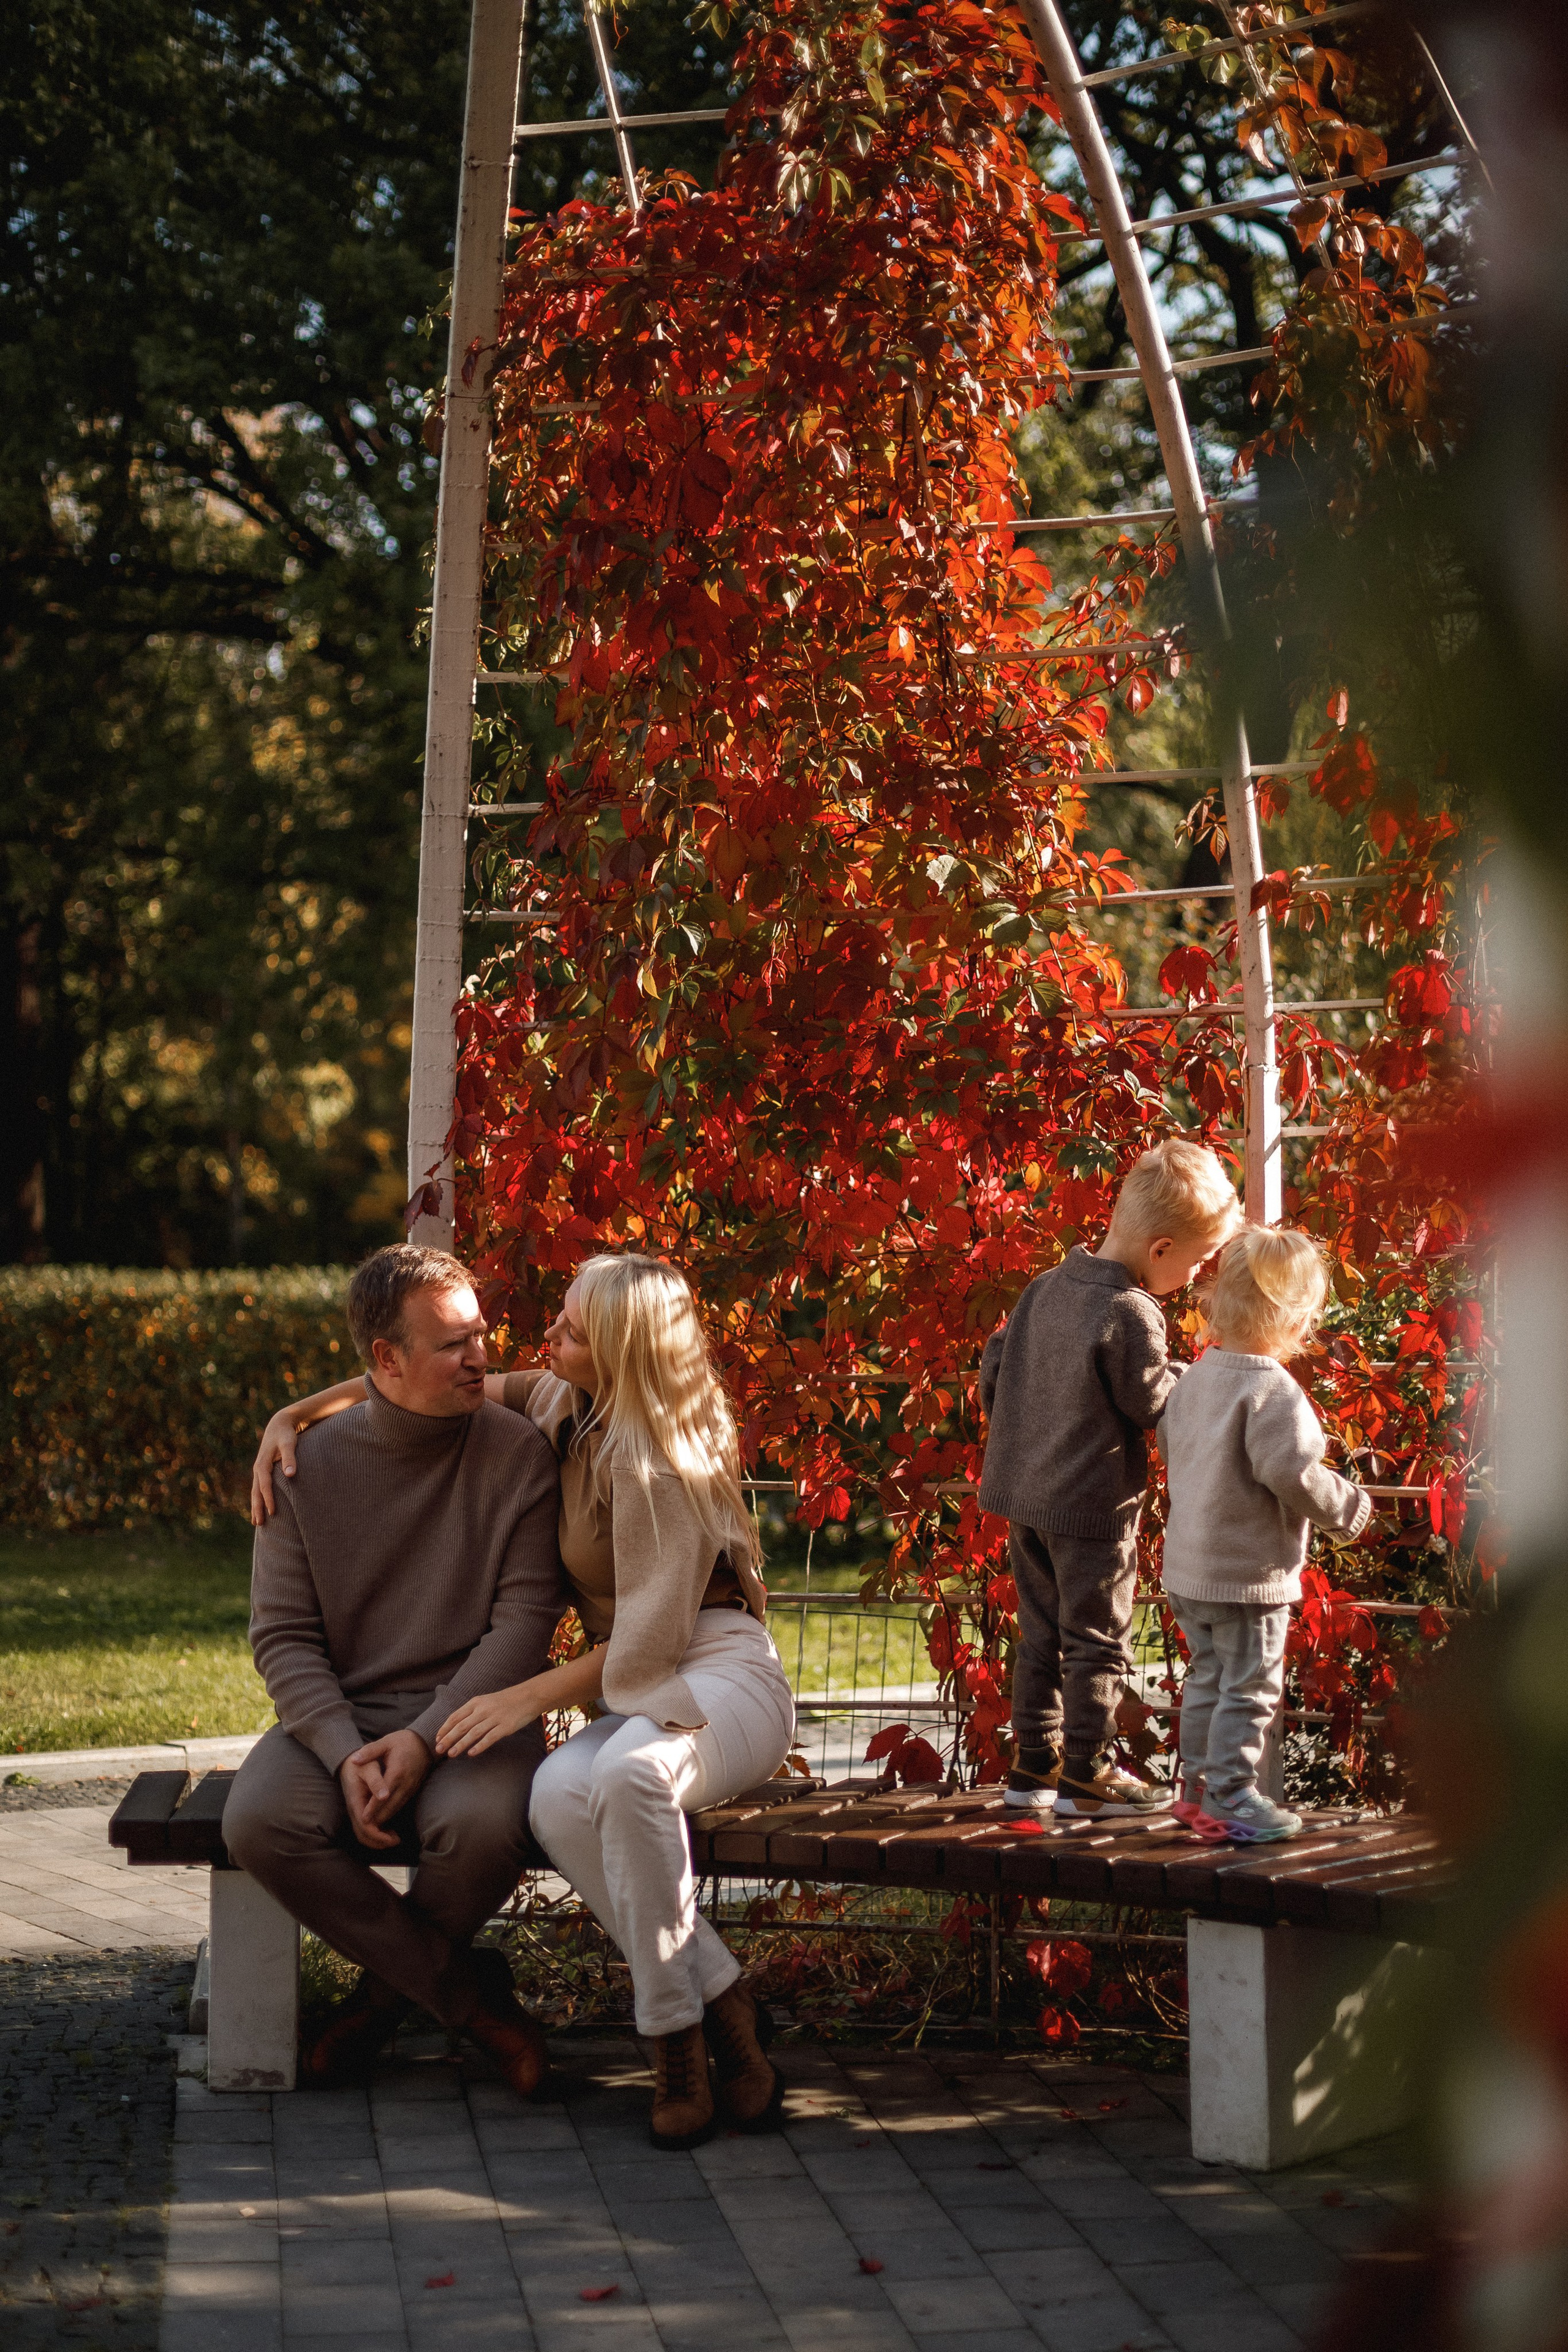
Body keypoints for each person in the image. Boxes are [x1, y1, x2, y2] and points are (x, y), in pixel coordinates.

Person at [253, 1250, 794, 2154]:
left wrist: (523, 1696)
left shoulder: (666, 1462)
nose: (545, 1340)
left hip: (714, 1667)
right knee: (555, 1798)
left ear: (616, 1352)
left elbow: (650, 1644)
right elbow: (395, 1373)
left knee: (621, 1778)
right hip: (632, 1684)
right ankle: (726, 1995)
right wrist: (292, 1414)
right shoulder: (559, 1401)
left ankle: (673, 2041)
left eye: (572, 1331)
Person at [230, 1242, 565, 2094]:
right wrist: (345, 1752)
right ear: (388, 1359)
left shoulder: (518, 1452)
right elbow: (283, 1638)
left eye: (481, 1334)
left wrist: (421, 1740)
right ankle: (471, 2001)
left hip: (474, 1717)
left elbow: (526, 1622)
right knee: (258, 1820)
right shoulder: (304, 1468)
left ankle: (377, 2006)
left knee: (486, 1824)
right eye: (455, 1344)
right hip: (340, 1716)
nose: (481, 1356)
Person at [978, 1137, 1240, 1820]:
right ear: (1161, 1251)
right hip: (1090, 1507)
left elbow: (994, 1370)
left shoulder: (1044, 1288)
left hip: (1023, 1496)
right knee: (1097, 1641)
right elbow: (1151, 1402)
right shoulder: (1131, 1310)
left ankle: (1033, 1764)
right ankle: (1088, 1772)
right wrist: (1195, 1379)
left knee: (1040, 1635)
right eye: (1196, 1261)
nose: (1194, 1273)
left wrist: (1024, 1433)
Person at [1158, 1223, 1371, 1842]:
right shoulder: (1272, 1391)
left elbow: (1172, 1446)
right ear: (1297, 1320)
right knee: (1250, 1687)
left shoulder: (1194, 1378)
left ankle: (1193, 1792)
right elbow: (1292, 1472)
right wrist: (1347, 1508)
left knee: (1206, 1677)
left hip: (1189, 1569)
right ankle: (1231, 1795)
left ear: (1217, 1303)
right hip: (1245, 1576)